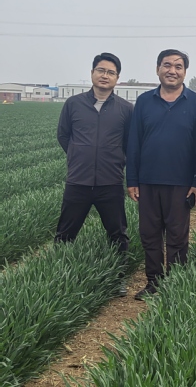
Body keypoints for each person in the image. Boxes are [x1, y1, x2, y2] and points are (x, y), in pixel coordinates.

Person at [126, 49, 196, 300]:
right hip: (148, 181)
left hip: (181, 183)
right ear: (158, 69)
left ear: (185, 72)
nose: (172, 70)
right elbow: (134, 142)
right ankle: (153, 282)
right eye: (167, 65)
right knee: (149, 235)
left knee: (177, 236)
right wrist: (132, 180)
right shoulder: (144, 102)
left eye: (178, 66)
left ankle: (176, 284)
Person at [55, 52, 133, 297]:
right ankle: (58, 276)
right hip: (78, 181)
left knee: (117, 233)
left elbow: (129, 143)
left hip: (110, 182)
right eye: (101, 70)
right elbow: (63, 135)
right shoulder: (74, 104)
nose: (105, 75)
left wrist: (115, 160)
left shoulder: (125, 109)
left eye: (111, 72)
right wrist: (78, 155)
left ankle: (118, 278)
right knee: (65, 232)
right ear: (92, 73)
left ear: (117, 78)